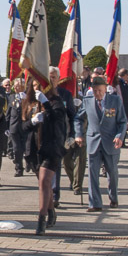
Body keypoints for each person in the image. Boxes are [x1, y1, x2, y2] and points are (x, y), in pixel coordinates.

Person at [74, 76, 127, 211]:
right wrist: (79, 134)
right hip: (94, 141)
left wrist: (119, 136)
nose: (98, 93)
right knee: (92, 174)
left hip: (111, 142)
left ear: (105, 88)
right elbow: (78, 119)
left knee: (112, 173)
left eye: (100, 90)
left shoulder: (115, 101)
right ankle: (95, 203)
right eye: (96, 90)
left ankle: (113, 197)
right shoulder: (87, 101)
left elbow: (122, 122)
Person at [21, 77, 66, 235]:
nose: (37, 89)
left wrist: (46, 103)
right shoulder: (29, 104)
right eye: (34, 86)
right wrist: (32, 122)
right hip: (34, 151)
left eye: (40, 86)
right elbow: (23, 127)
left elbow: (58, 119)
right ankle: (51, 210)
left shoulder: (56, 102)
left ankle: (41, 219)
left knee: (44, 181)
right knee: (44, 185)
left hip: (51, 149)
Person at [49, 66, 76, 205]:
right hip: (45, 136)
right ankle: (47, 193)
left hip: (60, 136)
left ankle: (54, 196)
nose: (51, 79)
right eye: (49, 76)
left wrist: (72, 134)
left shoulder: (65, 95)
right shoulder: (42, 94)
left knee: (57, 165)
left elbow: (72, 116)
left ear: (58, 79)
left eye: (54, 76)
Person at [5, 77, 27, 176]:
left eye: (19, 86)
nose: (17, 88)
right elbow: (8, 113)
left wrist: (25, 99)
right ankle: (19, 168)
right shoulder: (11, 97)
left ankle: (29, 163)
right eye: (16, 86)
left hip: (25, 126)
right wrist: (6, 127)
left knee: (26, 148)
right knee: (17, 149)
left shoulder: (27, 97)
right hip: (14, 126)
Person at [118, 69, 128, 146]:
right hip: (122, 106)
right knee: (122, 124)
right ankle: (121, 141)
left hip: (126, 105)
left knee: (124, 123)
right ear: (125, 75)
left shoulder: (124, 83)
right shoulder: (119, 83)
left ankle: (122, 141)